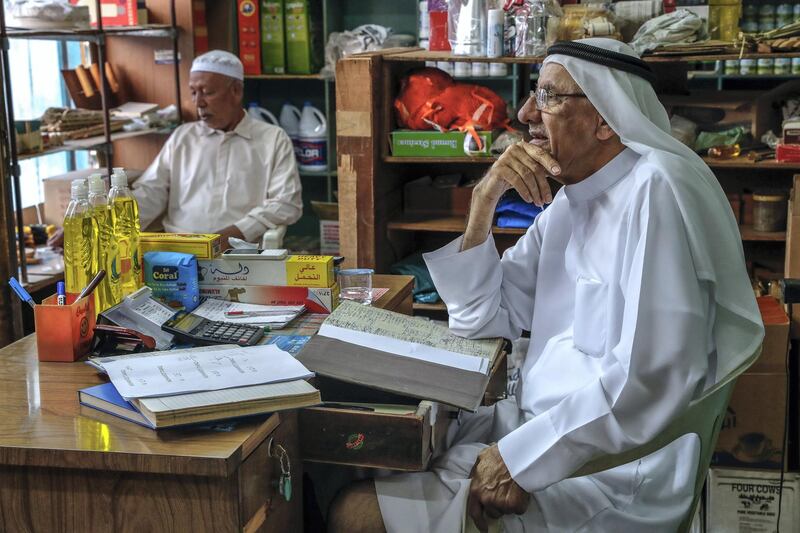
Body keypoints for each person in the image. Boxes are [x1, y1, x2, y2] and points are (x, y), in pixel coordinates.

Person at [327, 38, 764, 533]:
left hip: (611, 472)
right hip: (538, 433)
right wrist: (481, 208)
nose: (525, 111)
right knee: (355, 458)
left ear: (605, 117)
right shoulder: (573, 199)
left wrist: (517, 460)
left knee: (353, 513)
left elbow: (646, 381)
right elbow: (484, 326)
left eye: (550, 97)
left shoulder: (653, 191)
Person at [132, 50, 302, 250]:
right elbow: (152, 190)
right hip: (179, 253)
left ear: (236, 91)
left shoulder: (272, 139)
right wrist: (117, 224)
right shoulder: (183, 138)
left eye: (208, 92)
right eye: (194, 92)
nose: (198, 102)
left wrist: (235, 234)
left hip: (240, 253)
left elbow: (287, 203)